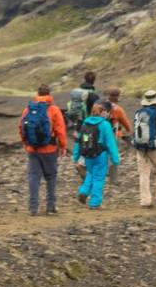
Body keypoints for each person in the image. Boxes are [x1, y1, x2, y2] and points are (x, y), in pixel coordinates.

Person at [19, 84, 68, 216]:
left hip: (32, 149)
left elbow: (21, 127)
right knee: (51, 177)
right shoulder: (54, 110)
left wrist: (25, 143)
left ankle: (33, 208)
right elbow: (60, 130)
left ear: (37, 94)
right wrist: (63, 146)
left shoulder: (28, 109)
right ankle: (50, 206)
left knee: (34, 177)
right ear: (49, 94)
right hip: (50, 148)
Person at [72, 103, 121, 208]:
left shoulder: (85, 123)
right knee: (98, 179)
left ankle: (84, 191)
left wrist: (76, 155)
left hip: (88, 155)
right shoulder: (105, 125)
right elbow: (110, 143)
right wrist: (115, 159)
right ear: (102, 112)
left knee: (90, 174)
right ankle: (95, 203)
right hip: (100, 156)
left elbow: (79, 141)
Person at [66, 71, 100, 184]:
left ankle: (79, 162)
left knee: (81, 143)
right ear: (94, 80)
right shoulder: (94, 96)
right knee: (88, 145)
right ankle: (82, 165)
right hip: (89, 126)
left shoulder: (77, 94)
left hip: (79, 125)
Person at [103, 88, 132, 186]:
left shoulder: (101, 105)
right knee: (114, 156)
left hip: (101, 134)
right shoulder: (118, 109)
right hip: (113, 135)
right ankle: (113, 179)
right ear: (117, 97)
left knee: (102, 154)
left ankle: (101, 173)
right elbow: (125, 122)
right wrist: (129, 130)